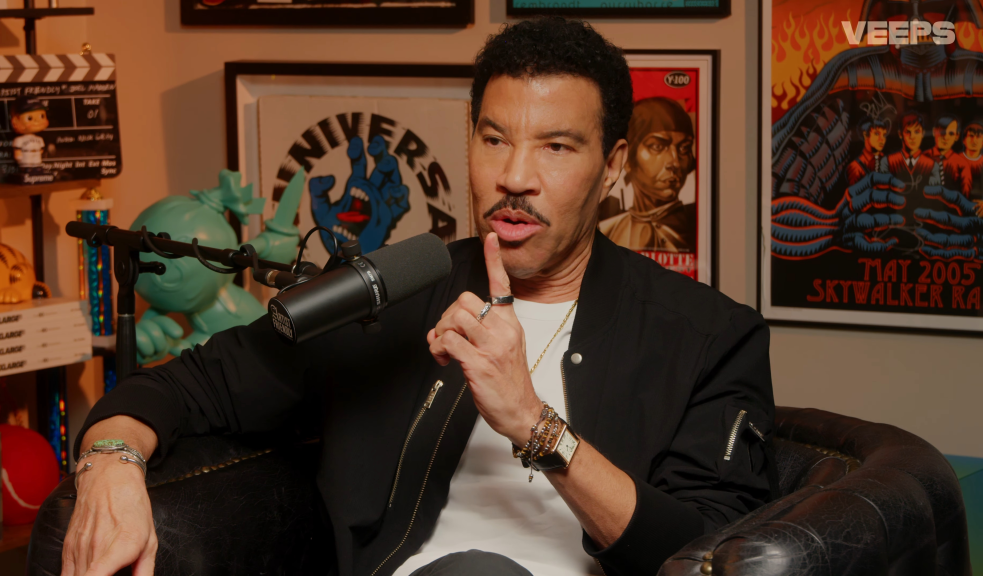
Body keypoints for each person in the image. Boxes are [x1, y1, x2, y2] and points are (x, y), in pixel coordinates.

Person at [62, 17, 775, 576]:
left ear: (611, 164)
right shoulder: (395, 291)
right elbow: (195, 383)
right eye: (494, 140)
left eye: (556, 148)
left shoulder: (708, 337)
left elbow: (706, 553)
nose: (515, 176)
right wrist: (111, 464)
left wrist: (534, 426)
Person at [598, 97, 697, 252]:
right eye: (657, 146)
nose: (675, 162)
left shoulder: (694, 230)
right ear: (627, 159)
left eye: (684, 148)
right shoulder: (607, 230)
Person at [846, 116, 889, 186]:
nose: (882, 139)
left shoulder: (887, 160)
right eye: (877, 134)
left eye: (884, 135)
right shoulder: (855, 167)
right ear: (865, 135)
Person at [925, 115, 960, 189]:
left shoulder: (961, 163)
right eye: (942, 132)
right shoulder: (922, 158)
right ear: (934, 132)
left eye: (951, 133)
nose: (946, 137)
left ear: (957, 136)